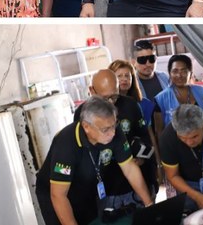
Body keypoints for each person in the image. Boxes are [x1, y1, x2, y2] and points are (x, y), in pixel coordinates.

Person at [35, 96, 153, 225]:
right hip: (56, 193)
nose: (112, 133)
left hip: (87, 186)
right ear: (86, 126)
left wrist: (149, 205)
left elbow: (130, 169)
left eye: (114, 125)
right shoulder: (66, 144)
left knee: (92, 220)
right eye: (105, 130)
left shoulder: (113, 130)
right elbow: (58, 196)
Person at [73, 70, 158, 209]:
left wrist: (143, 158)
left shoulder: (131, 105)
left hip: (135, 182)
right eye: (105, 98)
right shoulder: (83, 113)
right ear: (92, 91)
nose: (111, 103)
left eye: (114, 96)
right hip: (107, 188)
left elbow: (145, 137)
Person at [154, 54, 203, 127]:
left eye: (183, 71)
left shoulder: (202, 91)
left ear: (191, 73)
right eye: (175, 71)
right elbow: (159, 130)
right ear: (170, 74)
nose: (179, 75)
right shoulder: (160, 99)